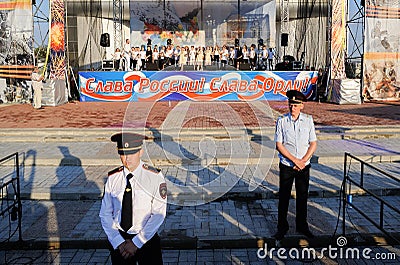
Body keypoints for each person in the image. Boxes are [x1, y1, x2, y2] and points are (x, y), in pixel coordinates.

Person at [99, 132, 167, 264]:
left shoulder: (154, 177)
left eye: (131, 154)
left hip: (146, 238)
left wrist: (136, 242)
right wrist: (117, 241)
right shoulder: (113, 178)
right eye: (122, 154)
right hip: (120, 241)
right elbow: (105, 213)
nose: (126, 159)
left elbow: (158, 214)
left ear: (140, 152)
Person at [273, 90, 317, 240]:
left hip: (303, 166)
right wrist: (295, 160)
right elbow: (279, 145)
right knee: (284, 197)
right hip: (287, 165)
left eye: (296, 105)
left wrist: (303, 161)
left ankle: (302, 226)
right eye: (291, 105)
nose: (293, 108)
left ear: (302, 106)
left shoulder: (308, 120)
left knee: (302, 197)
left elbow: (313, 143)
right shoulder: (282, 121)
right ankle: (282, 227)